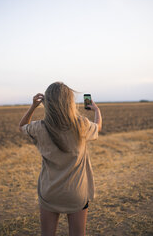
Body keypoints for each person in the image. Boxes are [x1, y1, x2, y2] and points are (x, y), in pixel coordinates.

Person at [19, 82, 102, 236]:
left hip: (49, 192)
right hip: (76, 193)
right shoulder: (81, 125)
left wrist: (33, 107)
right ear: (69, 102)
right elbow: (98, 127)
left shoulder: (39, 128)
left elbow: (22, 126)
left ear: (47, 103)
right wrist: (96, 110)